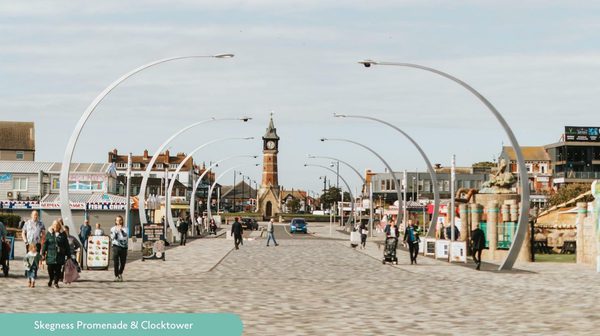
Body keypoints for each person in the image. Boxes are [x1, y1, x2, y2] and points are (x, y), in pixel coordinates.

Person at [41, 219, 70, 288]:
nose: (55, 226)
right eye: (54, 225)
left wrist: (68, 254)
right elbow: (45, 244)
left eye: (57, 225)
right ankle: (51, 279)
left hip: (60, 255)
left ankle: (56, 282)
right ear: (52, 226)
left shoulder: (63, 234)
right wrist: (42, 253)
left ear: (59, 226)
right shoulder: (49, 233)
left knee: (58, 270)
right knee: (50, 269)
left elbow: (66, 245)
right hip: (50, 254)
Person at [110, 215, 128, 282]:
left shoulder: (125, 228)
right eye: (117, 220)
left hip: (124, 247)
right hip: (116, 246)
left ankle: (120, 273)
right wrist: (116, 231)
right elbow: (112, 237)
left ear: (122, 221)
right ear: (115, 221)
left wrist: (121, 230)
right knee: (116, 262)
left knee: (123, 263)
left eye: (120, 220)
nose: (119, 221)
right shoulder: (113, 228)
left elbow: (125, 237)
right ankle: (116, 276)